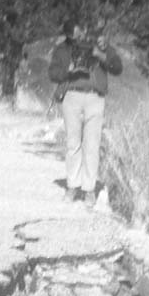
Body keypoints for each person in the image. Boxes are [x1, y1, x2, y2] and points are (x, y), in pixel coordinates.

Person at [49, 16, 123, 203]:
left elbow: (117, 68)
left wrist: (101, 55)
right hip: (72, 95)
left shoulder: (99, 46)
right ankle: (73, 186)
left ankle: (89, 188)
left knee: (92, 145)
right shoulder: (62, 49)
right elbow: (52, 73)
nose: (79, 39)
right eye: (74, 36)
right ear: (68, 36)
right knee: (73, 143)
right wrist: (69, 71)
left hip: (94, 96)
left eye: (81, 34)